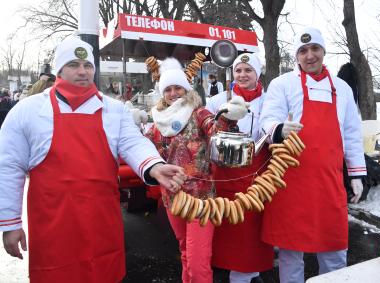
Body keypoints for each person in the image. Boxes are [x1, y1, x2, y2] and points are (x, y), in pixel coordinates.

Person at [0, 36, 186, 283]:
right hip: (53, 227)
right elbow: (8, 166)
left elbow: (134, 142)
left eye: (88, 66)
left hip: (101, 225)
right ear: (59, 70)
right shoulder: (29, 110)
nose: (82, 71)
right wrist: (10, 223)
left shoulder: (113, 109)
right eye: (74, 64)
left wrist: (155, 166)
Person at [259, 27, 367, 283]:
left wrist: (356, 174)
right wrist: (279, 129)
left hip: (328, 183)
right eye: (303, 51)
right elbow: (268, 118)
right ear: (296, 56)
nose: (309, 56)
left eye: (315, 49)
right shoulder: (282, 84)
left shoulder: (342, 89)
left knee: (334, 250)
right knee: (290, 252)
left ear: (323, 51)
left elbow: (351, 134)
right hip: (290, 183)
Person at [145, 57, 248, 283]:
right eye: (168, 89)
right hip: (173, 197)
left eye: (178, 88)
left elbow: (216, 128)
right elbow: (143, 150)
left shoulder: (197, 112)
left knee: (198, 261)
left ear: (186, 89)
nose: (173, 93)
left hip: (201, 199)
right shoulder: (157, 122)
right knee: (185, 253)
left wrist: (229, 116)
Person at [206, 53, 274, 283]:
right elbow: (204, 127)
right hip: (225, 176)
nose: (243, 75)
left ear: (257, 73)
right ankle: (235, 270)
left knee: (251, 231)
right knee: (228, 228)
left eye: (248, 70)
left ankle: (248, 273)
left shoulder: (269, 101)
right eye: (238, 70)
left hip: (257, 177)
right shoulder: (218, 100)